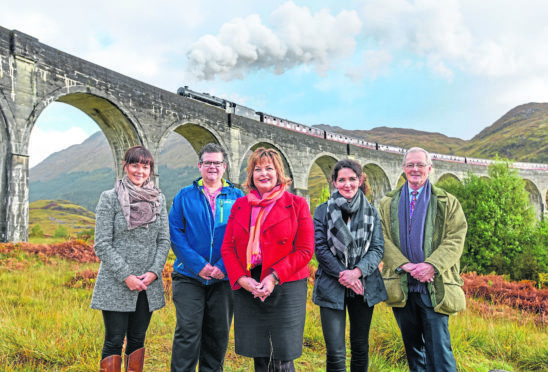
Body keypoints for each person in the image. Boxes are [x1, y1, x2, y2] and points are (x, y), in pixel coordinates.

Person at [221, 147, 314, 372]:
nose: (263, 174)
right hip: (250, 285)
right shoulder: (240, 205)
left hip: (285, 284)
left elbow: (305, 250)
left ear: (278, 172)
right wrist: (241, 279)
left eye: (269, 168)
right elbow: (227, 248)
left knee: (281, 357)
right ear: (251, 175)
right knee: (260, 354)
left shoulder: (297, 204)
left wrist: (273, 276)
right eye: (257, 169)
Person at [379, 147, 467, 372]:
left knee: (440, 352)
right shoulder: (387, 203)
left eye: (420, 165)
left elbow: (455, 238)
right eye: (410, 165)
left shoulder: (448, 202)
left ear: (430, 168)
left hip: (434, 287)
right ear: (403, 168)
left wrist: (432, 266)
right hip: (402, 288)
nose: (415, 169)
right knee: (413, 351)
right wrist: (404, 265)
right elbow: (380, 237)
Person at [91, 145, 170, 372]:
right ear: (125, 167)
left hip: (147, 284)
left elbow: (164, 240)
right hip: (116, 282)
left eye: (145, 166)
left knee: (137, 340)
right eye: (134, 165)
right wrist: (126, 276)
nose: (139, 171)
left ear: (150, 170)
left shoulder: (159, 199)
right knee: (114, 340)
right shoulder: (110, 198)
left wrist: (154, 272)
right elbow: (102, 244)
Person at [169, 143, 244, 372]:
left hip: (224, 278)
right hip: (189, 276)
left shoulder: (237, 197)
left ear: (225, 166)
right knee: (188, 331)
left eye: (217, 163)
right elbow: (175, 232)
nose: (212, 167)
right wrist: (198, 265)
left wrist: (223, 266)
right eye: (208, 162)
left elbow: (243, 235)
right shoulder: (185, 195)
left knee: (217, 334)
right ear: (200, 166)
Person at [312, 159, 387, 372]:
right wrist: (343, 275)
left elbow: (377, 249)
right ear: (334, 182)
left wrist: (357, 272)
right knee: (335, 353)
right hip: (331, 284)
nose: (347, 184)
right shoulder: (322, 210)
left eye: (352, 179)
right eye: (342, 179)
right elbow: (321, 249)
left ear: (360, 180)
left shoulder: (372, 212)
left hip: (363, 286)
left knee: (360, 347)